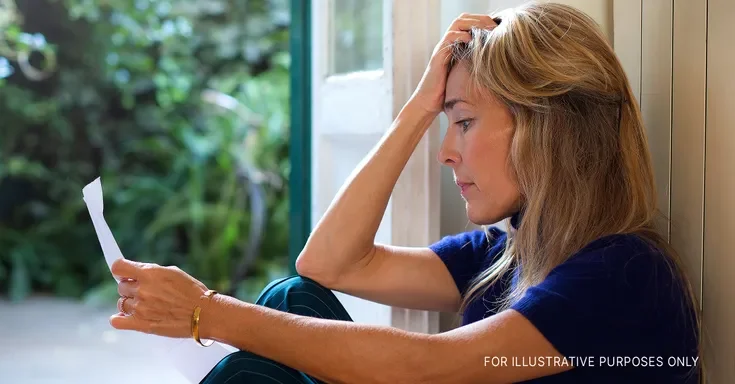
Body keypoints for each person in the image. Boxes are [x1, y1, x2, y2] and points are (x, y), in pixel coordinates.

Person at [109, 2, 701, 383]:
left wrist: (204, 311)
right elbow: (329, 263)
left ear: (550, 128)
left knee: (254, 370)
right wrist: (420, 107)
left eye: (463, 122)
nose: (446, 151)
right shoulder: (506, 257)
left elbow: (428, 367)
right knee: (294, 296)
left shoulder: (625, 273)